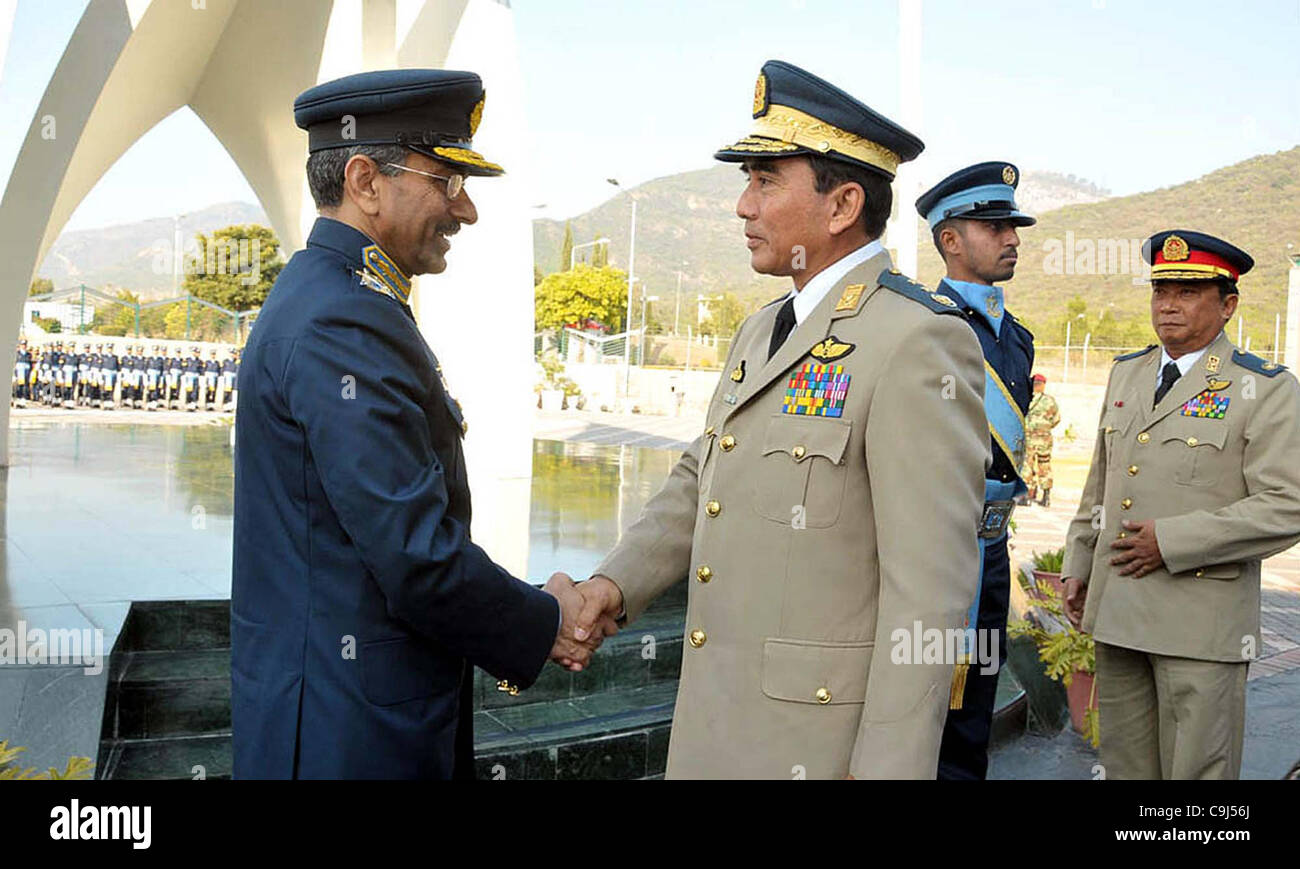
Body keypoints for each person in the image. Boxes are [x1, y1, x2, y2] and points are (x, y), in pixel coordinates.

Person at [569, 60, 989, 779]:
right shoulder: (762, 329)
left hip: (814, 751)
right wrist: (610, 584)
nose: (743, 205)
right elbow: (700, 482)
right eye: (747, 181)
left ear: (842, 203)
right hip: (714, 732)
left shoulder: (916, 340)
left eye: (766, 180)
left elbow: (929, 599)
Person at [231, 68, 608, 780]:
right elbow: (417, 559)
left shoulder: (334, 298)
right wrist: (548, 619)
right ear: (367, 181)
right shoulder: (342, 319)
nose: (464, 211)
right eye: (446, 181)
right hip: (350, 740)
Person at [1062, 230, 1300, 779]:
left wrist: (1170, 542)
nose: (1168, 304)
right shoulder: (1129, 372)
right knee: (1126, 767)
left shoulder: (1262, 388)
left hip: (1199, 622)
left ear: (1228, 305)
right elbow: (1100, 481)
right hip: (1119, 610)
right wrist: (1078, 564)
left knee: (1197, 778)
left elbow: (1287, 504)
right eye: (1161, 290)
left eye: (1189, 292)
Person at [915, 161, 1036, 780]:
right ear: (951, 240)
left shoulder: (1018, 338)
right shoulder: (919, 324)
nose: (1012, 237)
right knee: (920, 706)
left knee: (974, 711)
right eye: (994, 226)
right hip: (929, 550)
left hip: (990, 550)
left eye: (1013, 225)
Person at [1021, 373, 1060, 506]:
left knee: (1027, 464)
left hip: (1029, 438)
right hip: (1044, 439)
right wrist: (1045, 428)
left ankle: (1026, 496)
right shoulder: (1050, 401)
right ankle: (1046, 496)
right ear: (1043, 385)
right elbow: (1056, 419)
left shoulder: (1027, 399)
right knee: (1045, 466)